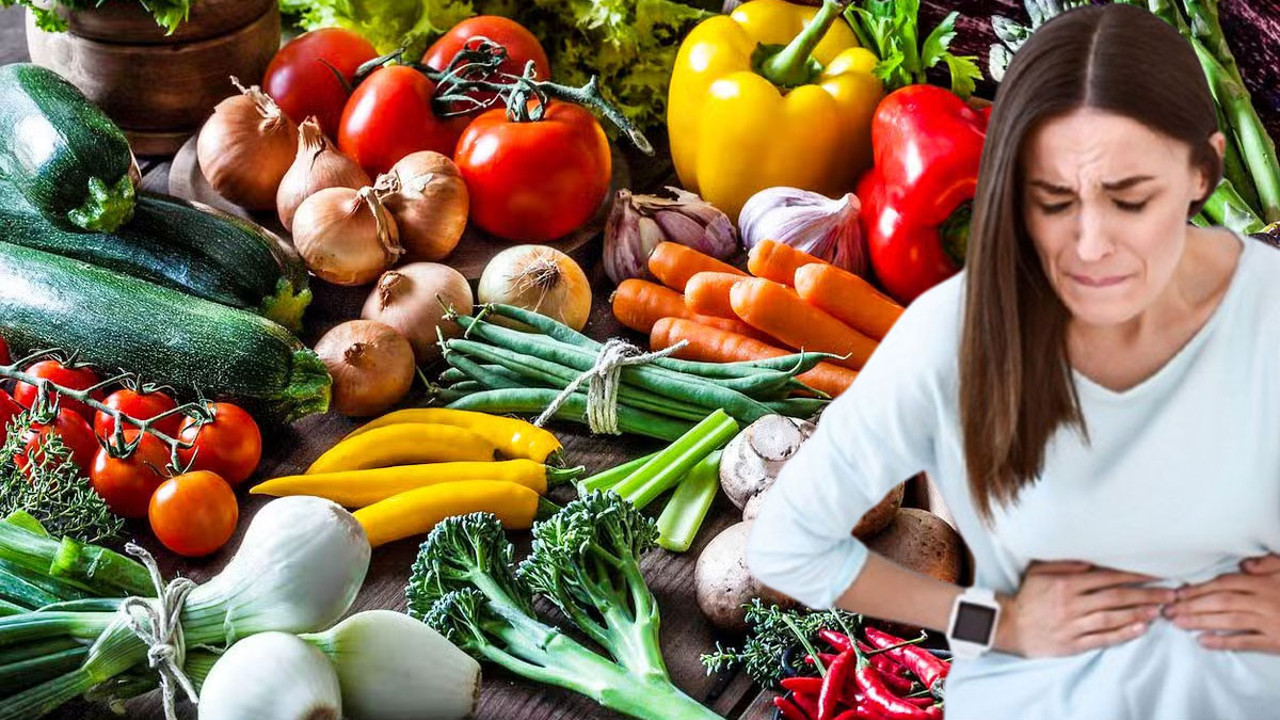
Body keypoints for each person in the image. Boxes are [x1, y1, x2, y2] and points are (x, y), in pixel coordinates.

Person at [744, 4, 1280, 719]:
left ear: (1201, 172)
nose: (1092, 245)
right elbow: (784, 545)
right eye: (1053, 200)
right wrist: (997, 622)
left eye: (1131, 197)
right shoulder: (953, 333)